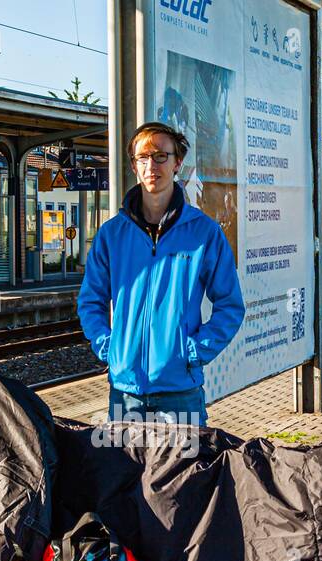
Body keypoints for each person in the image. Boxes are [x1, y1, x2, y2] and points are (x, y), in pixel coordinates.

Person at [77, 121, 245, 428]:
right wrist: (110, 348)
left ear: (177, 162)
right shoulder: (112, 235)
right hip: (125, 394)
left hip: (180, 393)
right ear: (134, 166)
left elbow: (230, 306)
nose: (151, 165)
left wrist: (192, 351)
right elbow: (90, 301)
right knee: (128, 476)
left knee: (187, 476)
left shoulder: (204, 234)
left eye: (160, 156)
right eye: (143, 158)